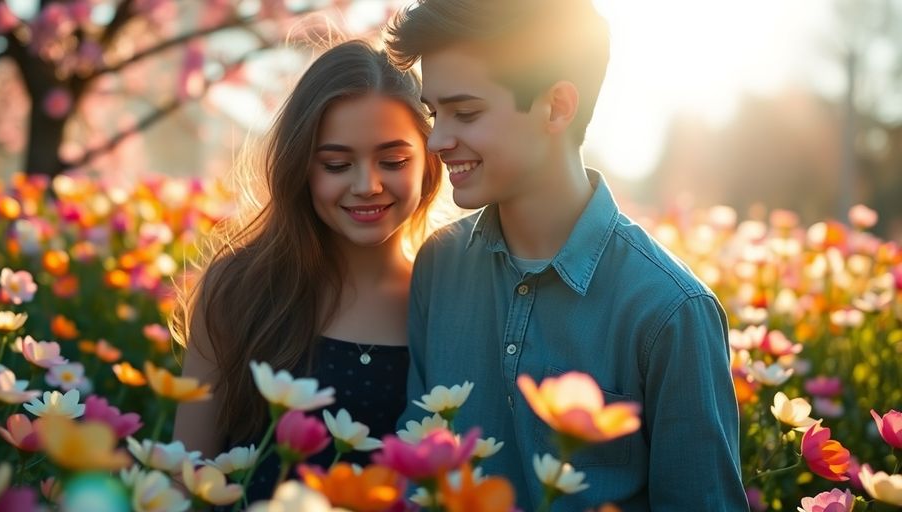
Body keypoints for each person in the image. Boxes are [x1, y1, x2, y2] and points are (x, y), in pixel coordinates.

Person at [384, 0, 748, 510]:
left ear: (557, 106)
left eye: (465, 113)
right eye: (434, 113)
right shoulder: (439, 267)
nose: (439, 140)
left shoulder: (671, 311)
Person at [171, 39, 443, 503]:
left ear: (430, 161)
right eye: (336, 164)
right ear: (301, 167)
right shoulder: (241, 289)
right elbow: (183, 476)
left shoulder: (448, 300)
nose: (367, 185)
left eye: (393, 161)